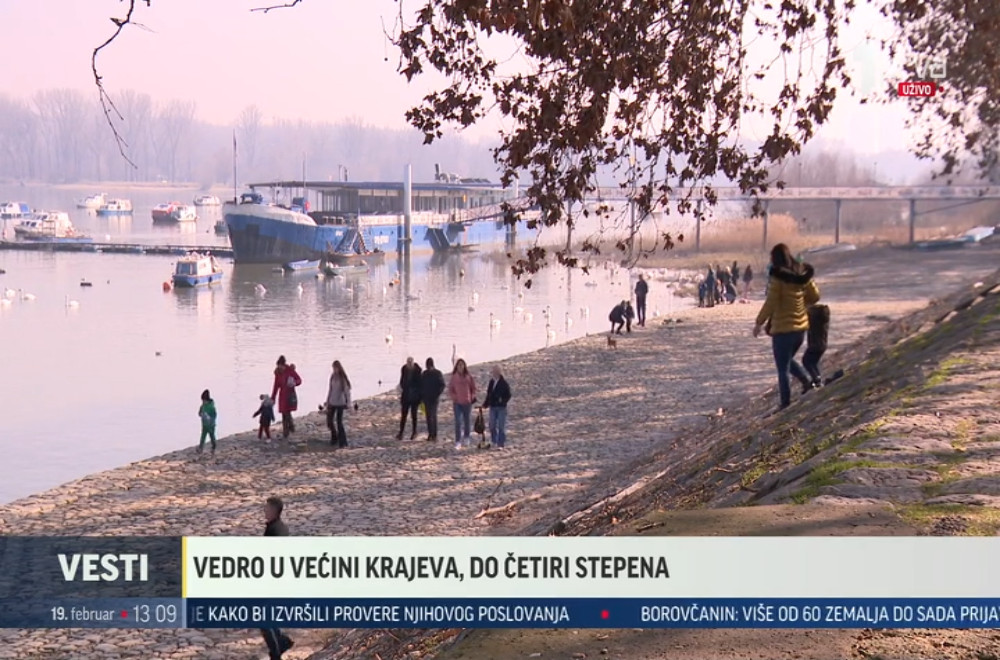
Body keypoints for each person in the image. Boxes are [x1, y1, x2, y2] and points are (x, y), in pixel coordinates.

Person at [753, 243, 820, 409]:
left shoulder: (778, 278)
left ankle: (785, 402)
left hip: (783, 330)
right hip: (801, 329)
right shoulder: (801, 274)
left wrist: (759, 322)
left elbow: (771, 302)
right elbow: (815, 296)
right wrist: (801, 304)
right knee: (787, 360)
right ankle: (807, 382)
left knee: (782, 368)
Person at [260, 497, 293, 659]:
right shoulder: (276, 527)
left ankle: (276, 651)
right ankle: (281, 641)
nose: (264, 510)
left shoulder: (276, 531)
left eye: (267, 508)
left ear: (274, 510)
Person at [447, 358, 477, 449]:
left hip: (467, 402)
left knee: (467, 420)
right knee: (458, 422)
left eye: (462, 365)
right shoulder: (454, 377)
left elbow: (473, 388)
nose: (460, 367)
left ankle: (467, 437)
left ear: (464, 366)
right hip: (457, 403)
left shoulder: (468, 376)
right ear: (456, 367)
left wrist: (472, 396)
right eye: (459, 365)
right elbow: (450, 389)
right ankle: (458, 441)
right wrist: (454, 397)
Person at [271, 356, 302, 439]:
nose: (280, 368)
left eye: (281, 366)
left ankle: (288, 430)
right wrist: (273, 398)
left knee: (287, 413)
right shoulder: (278, 373)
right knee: (284, 413)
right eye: (278, 366)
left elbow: (299, 380)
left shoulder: (290, 371)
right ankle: (288, 429)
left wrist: (294, 383)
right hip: (282, 396)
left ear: (284, 365)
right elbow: (276, 386)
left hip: (290, 395)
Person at [482, 365, 512, 449]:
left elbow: (508, 395)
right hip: (493, 406)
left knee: (501, 426)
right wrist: (485, 404)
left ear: (499, 372)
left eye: (496, 371)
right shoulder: (491, 382)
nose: (494, 373)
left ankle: (500, 444)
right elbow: (489, 394)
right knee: (492, 425)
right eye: (493, 371)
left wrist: (502, 401)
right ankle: (494, 441)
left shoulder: (504, 383)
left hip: (501, 407)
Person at [803, 304, 830, 390]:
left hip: (815, 345)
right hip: (822, 345)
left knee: (806, 361)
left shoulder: (814, 322)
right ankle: (817, 379)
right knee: (813, 363)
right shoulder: (823, 321)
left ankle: (816, 379)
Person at [324, 360, 351, 448]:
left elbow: (347, 391)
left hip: (340, 403)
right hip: (332, 401)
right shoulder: (332, 377)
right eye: (333, 368)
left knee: (339, 422)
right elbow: (330, 389)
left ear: (339, 368)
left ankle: (343, 442)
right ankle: (334, 437)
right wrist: (327, 401)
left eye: (335, 368)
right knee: (329, 421)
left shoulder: (342, 378)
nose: (334, 370)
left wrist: (349, 403)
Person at [420, 357, 446, 442]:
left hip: (434, 398)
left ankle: (434, 434)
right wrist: (422, 396)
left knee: (432, 416)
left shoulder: (437, 373)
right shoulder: (425, 373)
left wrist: (437, 393)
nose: (429, 367)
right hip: (427, 398)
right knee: (429, 416)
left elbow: (442, 385)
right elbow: (421, 385)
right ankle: (430, 434)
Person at [397, 357, 423, 440]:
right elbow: (402, 381)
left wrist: (420, 396)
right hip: (406, 395)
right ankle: (401, 432)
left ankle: (414, 432)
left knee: (414, 415)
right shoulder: (404, 369)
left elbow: (420, 384)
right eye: (408, 362)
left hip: (415, 396)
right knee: (403, 415)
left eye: (410, 362)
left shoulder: (418, 370)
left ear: (413, 363)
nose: (409, 364)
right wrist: (404, 387)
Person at [197, 389, 217, 455]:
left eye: (204, 401)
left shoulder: (211, 407)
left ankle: (214, 445)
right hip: (204, 424)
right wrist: (200, 413)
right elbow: (200, 412)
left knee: (212, 435)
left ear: (207, 400)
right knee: (203, 436)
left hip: (211, 425)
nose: (203, 402)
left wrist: (211, 421)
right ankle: (200, 447)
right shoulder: (202, 406)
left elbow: (214, 415)